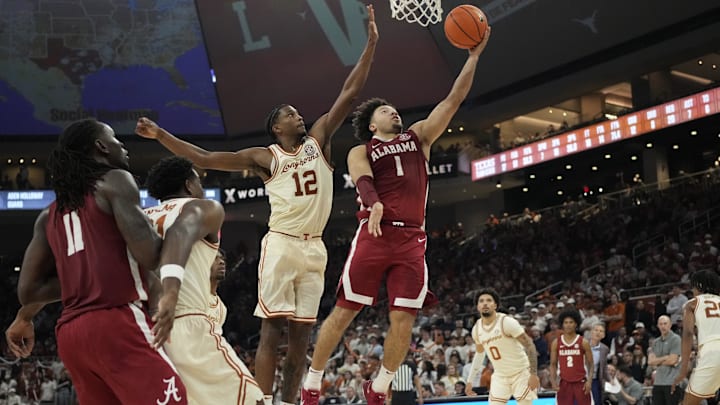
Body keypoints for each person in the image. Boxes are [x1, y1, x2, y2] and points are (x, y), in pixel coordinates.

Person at [135, 7, 379, 405]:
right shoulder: (264, 157)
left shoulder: (320, 138)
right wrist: (161, 134)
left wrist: (370, 44)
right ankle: (262, 401)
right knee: (271, 331)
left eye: (299, 114)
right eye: (291, 115)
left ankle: (287, 401)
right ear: (277, 128)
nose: (300, 117)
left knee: (301, 337)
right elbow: (206, 158)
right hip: (282, 243)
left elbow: (349, 93)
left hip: (314, 247)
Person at [301, 25, 492, 405]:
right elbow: (362, 180)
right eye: (387, 110)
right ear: (373, 124)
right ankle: (312, 381)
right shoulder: (362, 149)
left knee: (403, 318)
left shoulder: (419, 137)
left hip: (412, 240)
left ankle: (380, 386)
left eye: (395, 109)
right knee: (344, 311)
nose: (395, 112)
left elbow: (453, 99)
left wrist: (473, 57)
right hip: (375, 232)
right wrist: (373, 203)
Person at [4, 119, 187, 404]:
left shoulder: (48, 215)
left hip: (71, 335)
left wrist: (25, 315)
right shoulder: (115, 180)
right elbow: (150, 255)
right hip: (116, 321)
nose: (122, 145)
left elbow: (28, 291)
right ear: (101, 147)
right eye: (114, 138)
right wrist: (179, 227)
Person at [143, 156, 263, 405]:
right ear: (189, 184)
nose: (202, 187)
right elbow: (181, 232)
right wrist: (171, 291)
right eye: (199, 180)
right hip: (188, 324)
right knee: (254, 400)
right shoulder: (206, 208)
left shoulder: (140, 218)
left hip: (146, 330)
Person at [464, 289, 539, 405]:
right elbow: (479, 355)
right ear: (477, 307)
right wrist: (470, 381)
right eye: (481, 301)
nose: (485, 303)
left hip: (521, 372)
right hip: (500, 375)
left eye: (489, 300)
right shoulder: (476, 329)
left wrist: (533, 373)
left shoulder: (507, 322)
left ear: (495, 305)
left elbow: (529, 345)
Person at [672, 270, 720, 405]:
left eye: (693, 287)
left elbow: (687, 334)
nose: (692, 290)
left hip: (712, 353)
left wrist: (683, 371)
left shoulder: (692, 304)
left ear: (698, 285)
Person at [549, 309, 593, 405]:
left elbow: (591, 364)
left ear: (576, 324)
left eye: (571, 322)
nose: (568, 325)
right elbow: (553, 364)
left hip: (581, 382)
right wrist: (553, 381)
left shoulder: (583, 342)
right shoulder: (556, 343)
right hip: (564, 382)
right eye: (566, 322)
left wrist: (589, 381)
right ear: (562, 324)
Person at [648, 315, 681, 405]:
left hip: (672, 382)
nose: (663, 326)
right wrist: (666, 357)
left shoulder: (676, 339)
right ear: (658, 326)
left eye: (665, 324)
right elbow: (650, 362)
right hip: (658, 382)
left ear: (670, 325)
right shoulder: (655, 342)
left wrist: (658, 361)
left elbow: (673, 360)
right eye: (660, 324)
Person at [589, 322, 610, 405]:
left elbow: (603, 367)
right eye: (596, 330)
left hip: (594, 380)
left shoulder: (604, 349)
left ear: (603, 335)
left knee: (596, 402)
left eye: (601, 331)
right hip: (581, 380)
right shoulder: (582, 345)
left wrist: (610, 380)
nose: (598, 332)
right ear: (591, 332)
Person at [208, 248, 228, 334]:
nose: (221, 262)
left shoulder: (222, 308)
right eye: (215, 258)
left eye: (222, 259)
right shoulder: (192, 296)